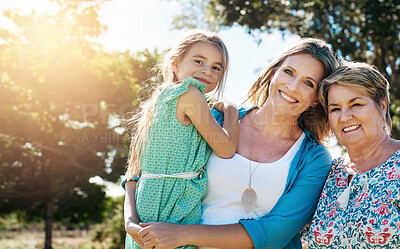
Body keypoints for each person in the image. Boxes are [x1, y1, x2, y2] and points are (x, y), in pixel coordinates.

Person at [125, 37, 340, 249]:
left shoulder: (315, 158)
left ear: (315, 98)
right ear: (274, 73)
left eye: (308, 83)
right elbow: (143, 167)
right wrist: (131, 222)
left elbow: (275, 232)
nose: (293, 87)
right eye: (288, 72)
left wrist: (183, 235)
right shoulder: (216, 121)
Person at [123, 29, 240, 249]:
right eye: (199, 61)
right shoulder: (190, 94)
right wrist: (232, 111)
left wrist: (130, 222)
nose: (208, 71)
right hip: (174, 205)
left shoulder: (155, 103)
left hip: (144, 207)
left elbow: (132, 175)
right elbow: (226, 149)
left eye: (217, 67)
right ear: (175, 63)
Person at [306, 61, 400, 248]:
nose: (345, 117)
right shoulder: (327, 173)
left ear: (382, 106)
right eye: (335, 109)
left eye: (356, 104)